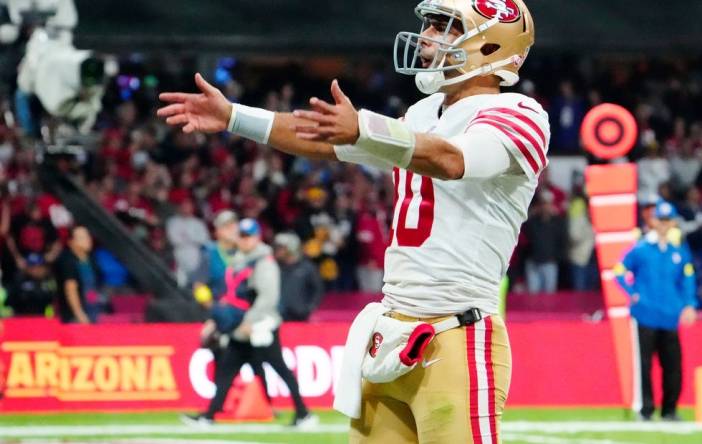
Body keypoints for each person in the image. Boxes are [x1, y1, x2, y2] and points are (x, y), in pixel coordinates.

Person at [160, 1, 547, 441]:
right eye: (432, 26)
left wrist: (365, 128)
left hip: (457, 332)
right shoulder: (421, 115)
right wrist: (234, 116)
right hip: (389, 330)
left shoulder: (520, 114)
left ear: (492, 44)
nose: (429, 37)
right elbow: (327, 143)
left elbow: (450, 158)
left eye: (445, 27)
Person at [183, 219, 314, 427]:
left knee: (279, 367)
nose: (244, 240)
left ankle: (303, 413)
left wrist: (251, 321)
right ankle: (209, 415)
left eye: (248, 236)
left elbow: (267, 296)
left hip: (260, 325)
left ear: (257, 237)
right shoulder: (241, 259)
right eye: (242, 236)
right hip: (243, 325)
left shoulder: (263, 261)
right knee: (228, 367)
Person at [614, 201, 698, 422]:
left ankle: (670, 410)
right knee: (644, 366)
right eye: (660, 220)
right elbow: (619, 270)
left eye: (667, 220)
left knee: (673, 366)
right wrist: (632, 293)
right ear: (653, 222)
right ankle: (646, 410)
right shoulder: (641, 249)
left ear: (672, 223)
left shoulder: (678, 251)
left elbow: (687, 279)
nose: (663, 224)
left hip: (670, 317)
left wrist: (689, 304)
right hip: (645, 315)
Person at [54, 226, 101, 323]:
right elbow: (71, 288)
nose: (87, 240)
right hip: (75, 317)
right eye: (82, 238)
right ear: (71, 242)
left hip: (93, 310)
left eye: (88, 236)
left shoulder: (91, 259)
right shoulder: (67, 260)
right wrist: (79, 314)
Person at [273, 232, 324, 321]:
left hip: (300, 317)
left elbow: (318, 290)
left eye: (281, 247)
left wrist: (309, 308)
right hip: (278, 316)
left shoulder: (307, 267)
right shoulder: (274, 266)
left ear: (291, 248)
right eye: (277, 247)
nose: (277, 250)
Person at [195, 210, 240, 298]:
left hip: (244, 305)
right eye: (227, 226)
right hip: (220, 305)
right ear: (217, 231)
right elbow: (199, 285)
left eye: (234, 225)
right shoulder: (209, 253)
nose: (232, 229)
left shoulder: (245, 249)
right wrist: (210, 305)